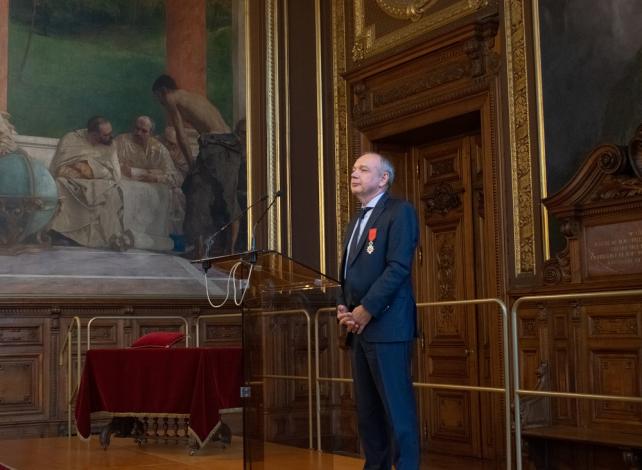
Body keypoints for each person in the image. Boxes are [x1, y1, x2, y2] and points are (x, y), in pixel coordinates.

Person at [337, 152, 420, 470]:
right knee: (368, 413)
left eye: (363, 169)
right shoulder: (356, 220)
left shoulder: (400, 212)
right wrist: (344, 308)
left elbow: (398, 267)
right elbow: (347, 273)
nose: (354, 173)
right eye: (353, 168)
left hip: (387, 327)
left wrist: (367, 309)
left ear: (383, 178)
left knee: (397, 411)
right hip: (357, 330)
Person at [152, 74, 242, 254]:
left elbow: (181, 136)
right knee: (228, 196)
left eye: (158, 98)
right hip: (232, 144)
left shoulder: (172, 99)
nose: (160, 102)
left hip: (215, 146)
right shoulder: (192, 96)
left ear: (163, 91)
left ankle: (200, 250)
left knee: (195, 194)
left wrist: (192, 163)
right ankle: (230, 250)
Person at [49, 116, 132, 250]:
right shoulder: (71, 140)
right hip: (73, 181)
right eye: (106, 134)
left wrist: (93, 170)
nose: (111, 137)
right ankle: (64, 235)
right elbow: (59, 168)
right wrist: (82, 172)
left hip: (100, 182)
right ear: (94, 134)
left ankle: (106, 237)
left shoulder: (110, 145)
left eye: (111, 133)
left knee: (110, 190)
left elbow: (115, 173)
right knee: (60, 184)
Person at [115, 116, 185, 237]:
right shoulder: (121, 141)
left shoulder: (159, 149)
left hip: (151, 188)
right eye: (136, 129)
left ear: (151, 133)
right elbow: (114, 165)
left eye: (144, 131)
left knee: (174, 195)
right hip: (126, 185)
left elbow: (175, 177)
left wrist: (157, 177)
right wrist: (144, 172)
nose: (138, 133)